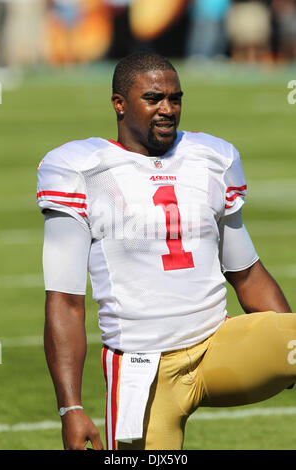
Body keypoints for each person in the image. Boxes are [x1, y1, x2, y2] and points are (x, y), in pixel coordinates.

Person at [37, 52, 296, 451]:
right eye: (154, 98)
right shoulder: (79, 170)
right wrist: (70, 408)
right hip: (143, 366)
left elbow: (246, 273)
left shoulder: (212, 158)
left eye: (175, 98)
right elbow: (65, 301)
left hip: (219, 344)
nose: (168, 109)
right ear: (119, 103)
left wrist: (284, 349)